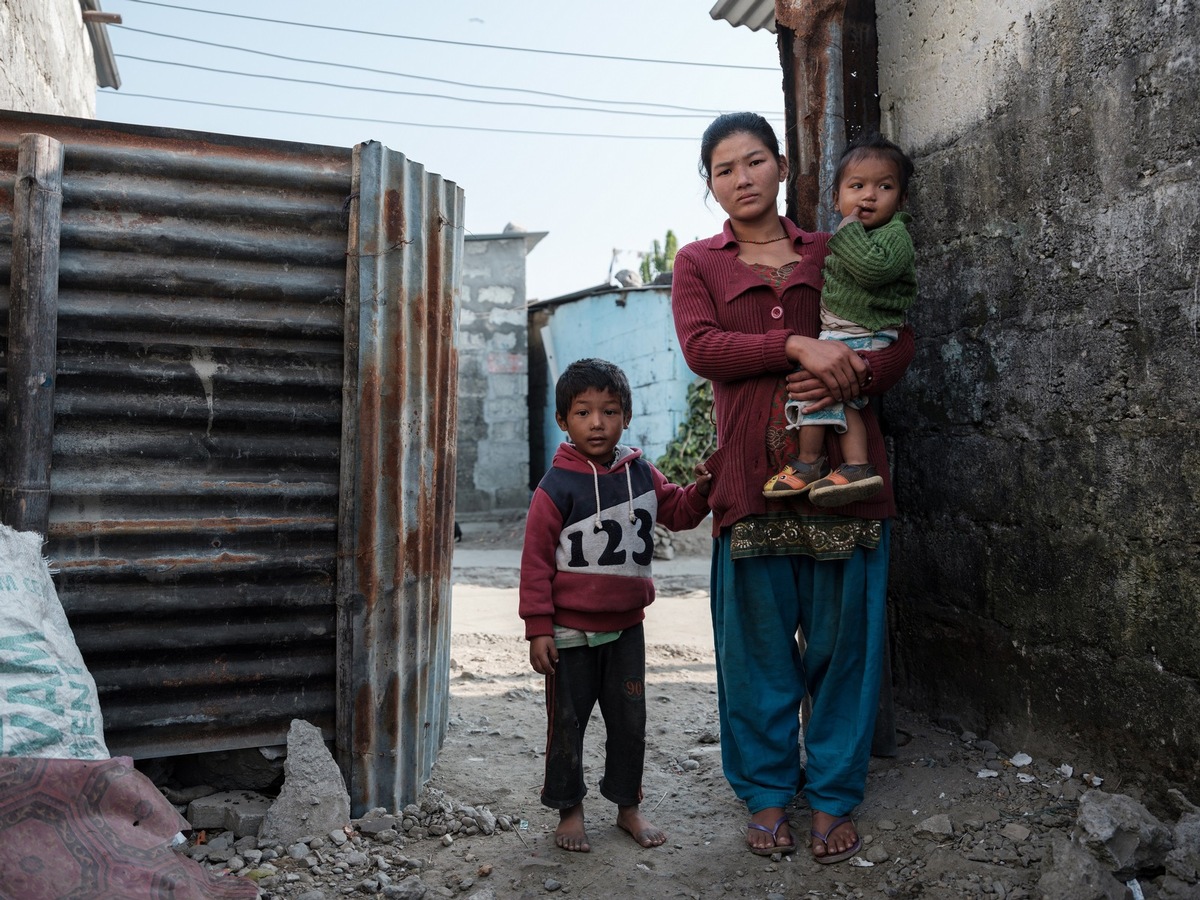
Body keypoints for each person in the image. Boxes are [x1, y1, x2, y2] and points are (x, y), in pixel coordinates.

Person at [670, 113, 915, 863]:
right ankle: (769, 792)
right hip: (750, 480)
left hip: (847, 479)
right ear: (709, 187)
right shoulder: (698, 263)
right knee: (758, 654)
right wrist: (795, 344)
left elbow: (895, 327)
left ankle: (833, 795)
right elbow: (703, 347)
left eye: (754, 161)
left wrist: (859, 372)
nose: (741, 178)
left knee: (845, 650)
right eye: (723, 169)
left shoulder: (838, 244)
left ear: (782, 168)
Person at [519, 358, 713, 853]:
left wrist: (707, 488)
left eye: (608, 411)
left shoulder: (643, 473)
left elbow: (682, 511)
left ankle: (628, 807)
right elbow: (536, 562)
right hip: (569, 634)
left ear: (625, 415)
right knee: (568, 723)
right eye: (583, 412)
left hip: (628, 630)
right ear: (563, 421)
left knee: (630, 723)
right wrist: (538, 626)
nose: (597, 422)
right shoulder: (555, 487)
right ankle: (570, 810)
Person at [762, 132, 917, 506]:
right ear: (836, 197)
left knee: (830, 393)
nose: (869, 195)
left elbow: (873, 271)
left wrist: (845, 231)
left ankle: (831, 464)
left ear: (901, 200)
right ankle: (825, 464)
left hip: (867, 332)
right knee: (826, 396)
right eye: (857, 185)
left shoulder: (894, 234)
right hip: (842, 332)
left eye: (884, 186)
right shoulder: (851, 236)